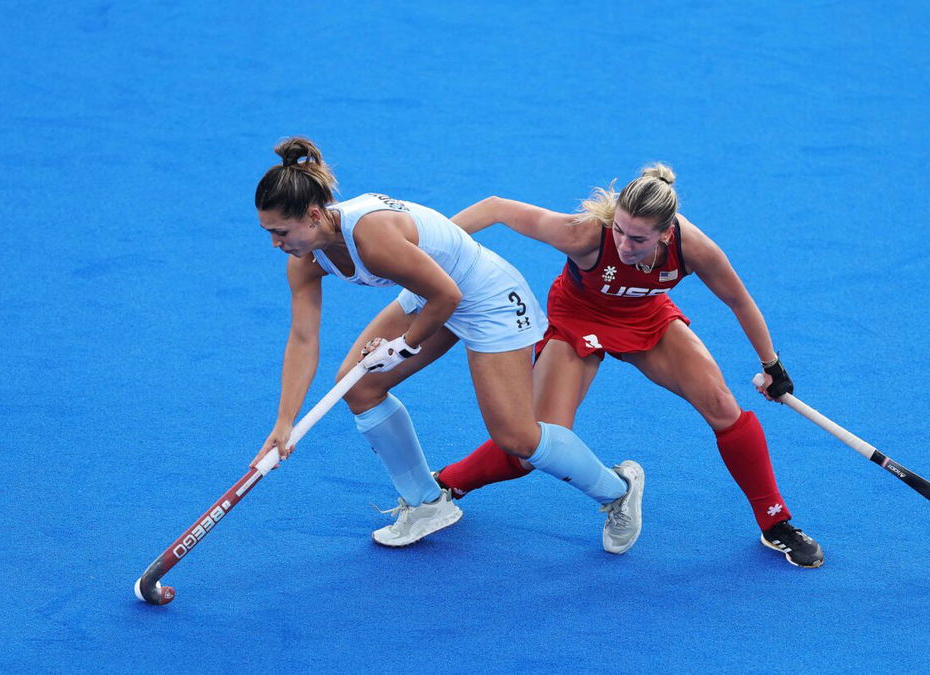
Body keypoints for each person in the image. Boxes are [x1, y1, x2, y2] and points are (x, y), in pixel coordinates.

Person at [249, 137, 645, 553]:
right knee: (359, 385)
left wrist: (402, 345)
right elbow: (303, 337)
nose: (276, 243)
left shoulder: (372, 238)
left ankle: (618, 489)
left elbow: (449, 297)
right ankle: (427, 503)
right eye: (268, 232)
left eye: (280, 231)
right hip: (431, 290)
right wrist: (284, 422)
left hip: (487, 298)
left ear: (313, 215)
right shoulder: (304, 260)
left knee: (517, 438)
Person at [436, 164, 823, 567]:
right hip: (578, 319)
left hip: (646, 318)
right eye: (619, 230)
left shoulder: (695, 249)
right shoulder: (583, 233)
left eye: (638, 238)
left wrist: (771, 365)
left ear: (666, 234)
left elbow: (739, 301)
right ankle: (446, 485)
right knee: (539, 445)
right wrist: (431, 245)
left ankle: (776, 522)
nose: (623, 244)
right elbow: (496, 208)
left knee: (723, 406)